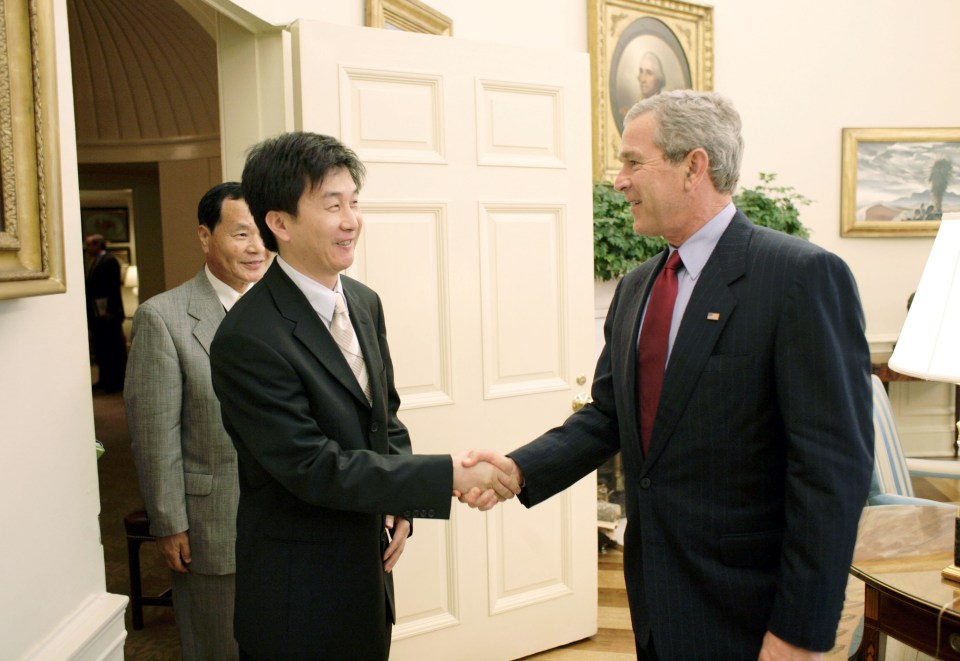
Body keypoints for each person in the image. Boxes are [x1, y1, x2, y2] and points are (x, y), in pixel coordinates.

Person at [462, 91, 874, 660]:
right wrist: (518, 468)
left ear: (693, 167)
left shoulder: (800, 278)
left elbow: (832, 474)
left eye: (633, 161)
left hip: (751, 615)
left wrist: (798, 634)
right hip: (657, 600)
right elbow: (609, 417)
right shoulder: (636, 288)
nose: (618, 180)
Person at [208, 131, 519, 660]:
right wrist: (447, 476)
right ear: (279, 223)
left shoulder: (362, 301)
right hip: (297, 595)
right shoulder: (247, 338)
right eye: (332, 205)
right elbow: (312, 465)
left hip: (368, 576)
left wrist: (399, 500)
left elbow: (385, 416)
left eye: (354, 201)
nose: (351, 219)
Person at [124, 182, 269, 660]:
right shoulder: (162, 318)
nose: (256, 249)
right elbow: (155, 433)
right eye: (241, 234)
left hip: (287, 522)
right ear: (206, 237)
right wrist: (169, 523)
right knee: (217, 647)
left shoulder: (286, 309)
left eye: (263, 234)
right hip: (213, 523)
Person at [84, 233, 127, 392]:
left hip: (109, 313)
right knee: (101, 347)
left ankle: (116, 381)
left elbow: (113, 289)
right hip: (96, 313)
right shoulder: (93, 262)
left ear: (98, 245)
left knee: (113, 347)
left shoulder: (109, 261)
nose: (87, 248)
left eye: (89, 245)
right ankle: (105, 379)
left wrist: (112, 311)